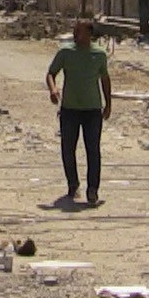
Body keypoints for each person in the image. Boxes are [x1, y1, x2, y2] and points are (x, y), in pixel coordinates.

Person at [45, 18, 111, 206]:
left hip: (92, 110)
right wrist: (53, 89)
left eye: (79, 31)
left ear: (89, 34)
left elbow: (105, 79)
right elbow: (51, 73)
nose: (75, 34)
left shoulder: (99, 54)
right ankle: (73, 184)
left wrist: (108, 104)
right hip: (70, 109)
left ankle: (93, 189)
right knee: (68, 149)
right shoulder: (66, 52)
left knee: (93, 151)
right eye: (74, 30)